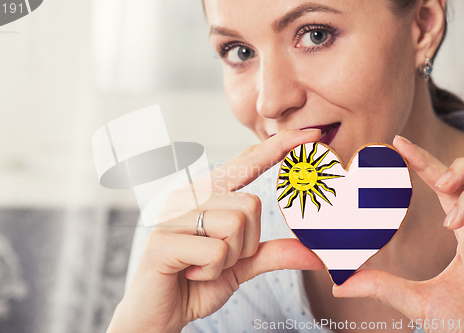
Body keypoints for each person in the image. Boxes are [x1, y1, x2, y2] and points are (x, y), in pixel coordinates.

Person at [108, 0, 464, 332]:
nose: (270, 102)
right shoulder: (191, 225)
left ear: (423, 25)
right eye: (240, 52)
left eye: (316, 35)